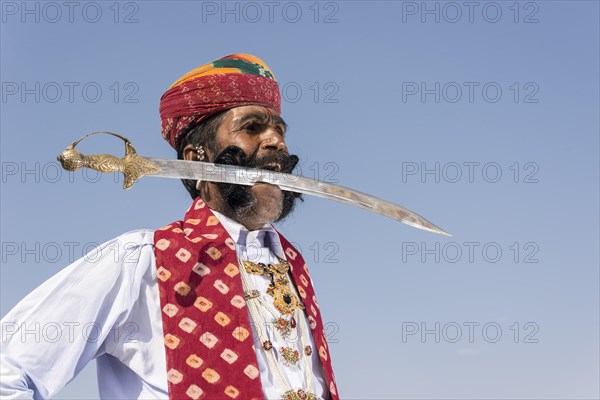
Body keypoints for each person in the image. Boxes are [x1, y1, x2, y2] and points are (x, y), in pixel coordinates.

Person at [0, 54, 339, 400]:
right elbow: (8, 371)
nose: (276, 142)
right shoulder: (138, 260)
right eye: (252, 127)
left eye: (279, 131)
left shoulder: (291, 267)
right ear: (197, 159)